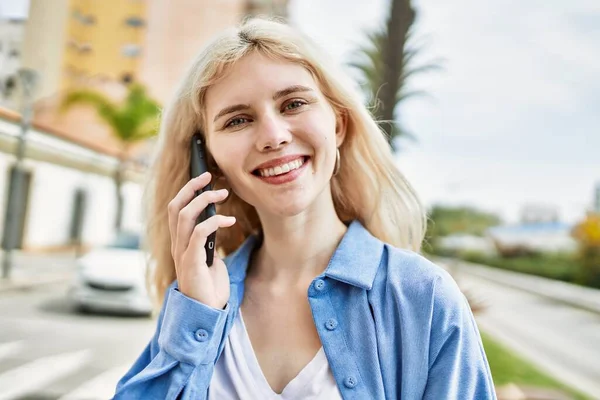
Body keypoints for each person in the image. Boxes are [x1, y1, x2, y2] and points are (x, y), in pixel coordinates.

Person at [113, 17, 496, 400]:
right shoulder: (197, 299)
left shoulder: (423, 297)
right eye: (238, 120)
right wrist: (195, 314)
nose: (274, 137)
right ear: (209, 162)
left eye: (293, 103)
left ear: (339, 126)